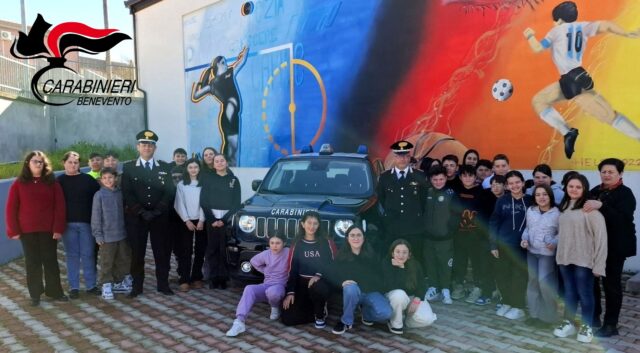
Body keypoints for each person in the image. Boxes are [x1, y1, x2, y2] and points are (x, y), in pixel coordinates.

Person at [524, 1, 640, 159]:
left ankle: (568, 131)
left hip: (571, 80)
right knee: (540, 101)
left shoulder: (556, 31)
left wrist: (530, 36)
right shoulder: (583, 27)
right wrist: (626, 33)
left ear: (557, 19)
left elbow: (537, 48)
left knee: (607, 115)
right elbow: (606, 25)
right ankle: (568, 132)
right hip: (577, 77)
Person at [5, 151, 68, 306]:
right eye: (35, 161)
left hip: (48, 230)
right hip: (27, 231)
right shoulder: (18, 183)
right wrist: (13, 230)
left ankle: (55, 291)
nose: (38, 164)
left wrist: (58, 228)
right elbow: (11, 208)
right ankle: (35, 294)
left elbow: (60, 207)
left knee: (51, 261)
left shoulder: (52, 183)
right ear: (28, 163)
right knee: (32, 263)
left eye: (41, 162)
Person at [553, 173, 607, 343]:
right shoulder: (564, 207)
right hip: (565, 259)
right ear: (566, 188)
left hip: (584, 260)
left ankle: (586, 326)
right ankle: (568, 322)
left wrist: (599, 265)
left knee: (585, 293)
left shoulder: (589, 210)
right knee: (569, 293)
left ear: (584, 189)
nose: (574, 190)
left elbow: (601, 238)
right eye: (571, 186)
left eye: (578, 187)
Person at [586, 158, 636, 337]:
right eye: (603, 171)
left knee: (611, 285)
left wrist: (602, 206)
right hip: (594, 246)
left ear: (620, 174)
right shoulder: (594, 191)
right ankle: (594, 317)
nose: (606, 175)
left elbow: (622, 219)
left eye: (611, 172)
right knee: (592, 283)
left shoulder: (626, 193)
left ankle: (610, 325)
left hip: (615, 247)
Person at [122, 130, 175, 297]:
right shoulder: (129, 167)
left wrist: (158, 210)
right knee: (137, 253)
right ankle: (137, 287)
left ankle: (163, 284)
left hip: (159, 218)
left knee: (162, 252)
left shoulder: (165, 167)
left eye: (150, 145)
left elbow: (169, 191)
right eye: (144, 144)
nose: (147, 147)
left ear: (155, 148)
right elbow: (127, 192)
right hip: (137, 218)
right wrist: (141, 211)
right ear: (138, 147)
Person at [191, 47, 249, 166]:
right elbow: (196, 96)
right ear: (218, 64)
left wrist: (201, 83)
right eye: (224, 62)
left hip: (230, 113)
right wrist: (246, 50)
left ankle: (226, 167)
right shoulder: (227, 74)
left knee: (232, 145)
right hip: (229, 111)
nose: (226, 65)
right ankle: (229, 168)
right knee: (233, 145)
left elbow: (196, 94)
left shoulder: (213, 83)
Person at [330, 225, 392, 335]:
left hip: (370, 291)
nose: (356, 238)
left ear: (364, 238)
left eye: (359, 235)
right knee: (350, 288)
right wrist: (341, 282)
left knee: (386, 313)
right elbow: (333, 274)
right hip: (353, 293)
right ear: (347, 238)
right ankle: (345, 321)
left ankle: (366, 314)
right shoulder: (341, 256)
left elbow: (380, 276)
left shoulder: (372, 255)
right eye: (352, 235)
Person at [226, 233, 290, 337]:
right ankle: (239, 322)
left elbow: (298, 262)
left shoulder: (287, 252)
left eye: (278, 243)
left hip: (280, 287)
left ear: (284, 244)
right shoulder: (266, 253)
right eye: (272, 243)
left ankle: (275, 307)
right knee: (249, 289)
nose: (275, 246)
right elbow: (253, 261)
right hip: (267, 285)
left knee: (273, 292)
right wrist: (265, 270)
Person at [56, 151, 100, 298]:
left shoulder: (88, 180)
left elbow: (98, 200)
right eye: (70, 162)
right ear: (64, 163)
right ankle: (74, 287)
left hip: (86, 223)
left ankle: (91, 285)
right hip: (68, 225)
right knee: (72, 256)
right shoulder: (59, 181)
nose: (73, 165)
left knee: (88, 254)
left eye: (76, 162)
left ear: (79, 164)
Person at [281, 211, 336, 328]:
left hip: (321, 282)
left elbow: (332, 263)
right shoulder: (297, 243)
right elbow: (293, 268)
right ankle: (314, 309)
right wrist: (290, 292)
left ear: (319, 225)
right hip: (302, 283)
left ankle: (320, 314)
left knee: (318, 287)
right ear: (303, 224)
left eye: (315, 223)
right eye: (309, 223)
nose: (312, 226)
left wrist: (318, 275)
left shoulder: (326, 242)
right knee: (288, 319)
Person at [490, 171, 532, 320]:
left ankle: (518, 306)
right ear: (507, 185)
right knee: (502, 276)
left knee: (519, 277)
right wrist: (493, 245)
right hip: (503, 246)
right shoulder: (502, 200)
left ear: (523, 183)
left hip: (522, 247)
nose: (514, 186)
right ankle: (507, 302)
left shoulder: (531, 201)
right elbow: (494, 222)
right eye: (511, 183)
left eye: (517, 182)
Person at [377, 140, 428, 253]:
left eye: (406, 156)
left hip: (413, 227)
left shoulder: (419, 176)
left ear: (410, 157)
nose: (403, 159)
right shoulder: (385, 177)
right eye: (399, 156)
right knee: (391, 257)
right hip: (392, 227)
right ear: (394, 157)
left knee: (415, 258)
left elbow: (423, 200)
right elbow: (382, 198)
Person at [520, 184, 560, 327]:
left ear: (550, 195)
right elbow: (527, 228)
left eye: (544, 194)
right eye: (538, 195)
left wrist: (555, 242)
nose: (541, 197)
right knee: (532, 282)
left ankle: (548, 317)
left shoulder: (557, 213)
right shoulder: (531, 210)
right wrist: (524, 239)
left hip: (547, 255)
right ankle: (534, 315)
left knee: (545, 285)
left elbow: (562, 233)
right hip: (531, 252)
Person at [200, 153, 241, 289]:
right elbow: (203, 200)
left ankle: (223, 278)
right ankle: (213, 278)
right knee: (212, 248)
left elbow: (236, 203)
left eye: (222, 160)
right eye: (216, 161)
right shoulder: (208, 179)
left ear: (226, 163)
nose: (219, 163)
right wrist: (212, 219)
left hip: (227, 219)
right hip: (211, 218)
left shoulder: (233, 180)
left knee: (224, 249)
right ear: (213, 164)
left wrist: (223, 219)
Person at [91, 168, 131, 300]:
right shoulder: (99, 195)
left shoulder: (121, 193)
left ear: (116, 178)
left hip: (122, 234)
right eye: (105, 178)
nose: (108, 180)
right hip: (107, 237)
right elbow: (96, 217)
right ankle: (106, 284)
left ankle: (118, 282)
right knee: (106, 261)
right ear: (101, 180)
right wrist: (98, 235)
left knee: (122, 260)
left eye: (110, 177)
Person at [450, 165, 484, 303]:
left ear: (475, 177)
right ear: (460, 177)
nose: (467, 178)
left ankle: (478, 288)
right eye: (464, 175)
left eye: (470, 175)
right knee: (459, 261)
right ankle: (458, 285)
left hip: (475, 235)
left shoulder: (481, 192)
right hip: (459, 234)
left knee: (477, 262)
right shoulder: (456, 192)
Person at [423, 166, 456, 305]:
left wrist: (450, 230)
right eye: (435, 179)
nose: (438, 182)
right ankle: (433, 287)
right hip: (428, 237)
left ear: (446, 178)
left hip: (445, 238)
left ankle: (445, 289)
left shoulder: (451, 193)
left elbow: (456, 215)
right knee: (430, 263)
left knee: (445, 264)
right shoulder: (427, 192)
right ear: (430, 180)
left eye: (441, 179)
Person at [174, 158, 207, 292]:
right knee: (185, 250)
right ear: (187, 169)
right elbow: (179, 203)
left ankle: (196, 277)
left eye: (196, 167)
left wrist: (201, 220)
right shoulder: (181, 185)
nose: (193, 170)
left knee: (200, 249)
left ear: (199, 169)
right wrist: (187, 220)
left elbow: (205, 202)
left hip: (200, 220)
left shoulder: (204, 184)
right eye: (190, 167)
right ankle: (184, 278)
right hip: (185, 221)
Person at [382, 239, 427, 335]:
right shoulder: (386, 264)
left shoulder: (415, 264)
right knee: (399, 295)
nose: (401, 255)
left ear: (409, 254)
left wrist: (417, 299)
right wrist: (401, 268)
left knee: (427, 319)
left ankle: (405, 318)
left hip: (411, 297)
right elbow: (394, 287)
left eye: (404, 252)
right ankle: (396, 323)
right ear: (392, 253)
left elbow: (422, 284)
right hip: (393, 297)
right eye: (397, 252)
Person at [474, 175, 506, 305]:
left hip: (505, 240)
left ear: (505, 185)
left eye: (499, 184)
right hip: (485, 238)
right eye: (493, 184)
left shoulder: (509, 199)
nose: (495, 187)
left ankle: (504, 296)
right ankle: (487, 293)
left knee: (502, 269)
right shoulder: (484, 197)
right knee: (485, 267)